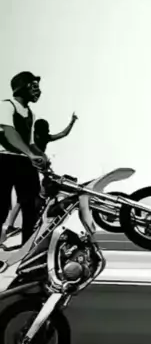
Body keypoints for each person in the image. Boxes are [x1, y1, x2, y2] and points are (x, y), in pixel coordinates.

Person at [1, 111, 78, 241]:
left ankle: (14, 224)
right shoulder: (36, 140)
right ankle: (13, 225)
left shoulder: (40, 138)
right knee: (26, 198)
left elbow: (63, 134)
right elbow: (61, 135)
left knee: (26, 198)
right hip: (31, 166)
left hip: (35, 166)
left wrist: (72, 122)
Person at [0, 71, 47, 247]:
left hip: (24, 161)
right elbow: (10, 133)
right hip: (4, 160)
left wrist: (42, 156)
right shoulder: (6, 106)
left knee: (31, 206)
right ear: (21, 87)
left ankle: (27, 249)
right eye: (33, 86)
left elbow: (30, 143)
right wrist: (30, 154)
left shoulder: (31, 114)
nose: (37, 90)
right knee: (1, 206)